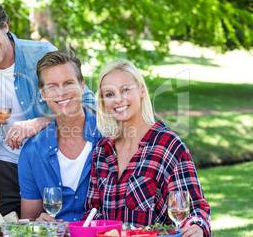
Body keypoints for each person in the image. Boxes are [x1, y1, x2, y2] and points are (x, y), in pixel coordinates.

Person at [0, 0, 96, 216]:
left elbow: (89, 105)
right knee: (7, 228)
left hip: (48, 160)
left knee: (53, 223)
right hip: (2, 163)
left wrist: (42, 122)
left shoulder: (41, 53)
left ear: (5, 27)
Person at [83, 60, 211, 237]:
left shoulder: (168, 146)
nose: (118, 99)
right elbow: (93, 212)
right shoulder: (102, 151)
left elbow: (194, 208)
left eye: (125, 90)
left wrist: (197, 227)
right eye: (109, 94)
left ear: (142, 90)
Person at [18, 50, 102, 222]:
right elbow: (29, 221)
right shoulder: (32, 152)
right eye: (52, 86)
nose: (61, 92)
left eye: (68, 83)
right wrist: (37, 225)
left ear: (82, 85)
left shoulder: (109, 136)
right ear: (42, 93)